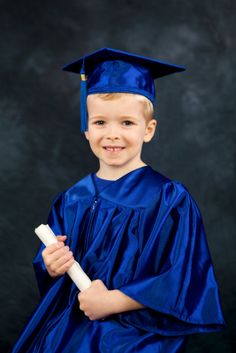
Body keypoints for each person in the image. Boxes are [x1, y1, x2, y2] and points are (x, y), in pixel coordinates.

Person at [12, 48, 225, 353]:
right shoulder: (73, 199)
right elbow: (52, 270)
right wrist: (51, 265)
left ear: (148, 130)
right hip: (72, 322)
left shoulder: (168, 199)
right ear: (86, 129)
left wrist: (112, 301)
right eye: (100, 123)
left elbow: (180, 278)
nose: (112, 134)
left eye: (127, 123)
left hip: (137, 332)